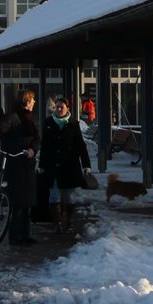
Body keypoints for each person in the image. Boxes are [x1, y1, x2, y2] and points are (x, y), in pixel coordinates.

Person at [0, 90, 41, 245]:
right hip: (15, 163)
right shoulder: (13, 117)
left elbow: (37, 138)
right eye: (32, 100)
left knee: (27, 202)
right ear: (26, 102)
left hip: (27, 163)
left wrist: (33, 149)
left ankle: (25, 234)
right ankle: (15, 236)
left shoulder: (29, 119)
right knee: (17, 202)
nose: (34, 103)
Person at [39, 97, 92, 233]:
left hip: (69, 166)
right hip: (53, 165)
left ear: (68, 108)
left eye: (62, 107)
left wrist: (86, 165)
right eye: (57, 107)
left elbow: (81, 145)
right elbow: (44, 145)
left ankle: (68, 219)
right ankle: (57, 223)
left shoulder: (73, 124)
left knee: (69, 196)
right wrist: (42, 164)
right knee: (54, 195)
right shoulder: (48, 122)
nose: (60, 109)